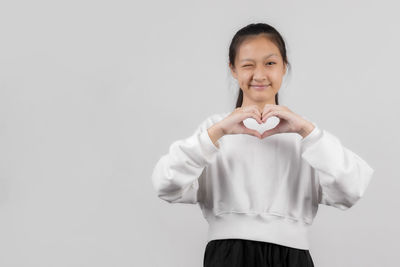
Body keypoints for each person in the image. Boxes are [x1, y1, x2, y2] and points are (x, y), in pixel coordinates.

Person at [151, 22, 375, 267]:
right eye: (248, 65)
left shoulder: (305, 135)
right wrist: (218, 132)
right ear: (233, 69)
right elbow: (165, 184)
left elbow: (351, 189)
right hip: (227, 257)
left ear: (284, 67)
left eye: (270, 63)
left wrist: (307, 131)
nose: (259, 75)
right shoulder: (214, 131)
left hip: (292, 258)